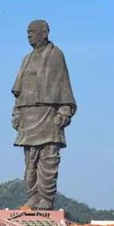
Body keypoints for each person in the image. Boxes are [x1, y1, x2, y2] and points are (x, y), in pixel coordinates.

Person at [12, 19, 77, 210]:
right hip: (27, 114)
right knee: (30, 161)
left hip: (48, 114)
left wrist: (65, 109)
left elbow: (63, 84)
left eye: (32, 31)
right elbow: (18, 92)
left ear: (45, 33)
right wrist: (16, 113)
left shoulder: (56, 55)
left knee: (48, 158)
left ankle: (46, 198)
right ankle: (33, 196)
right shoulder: (26, 59)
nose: (29, 35)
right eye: (27, 32)